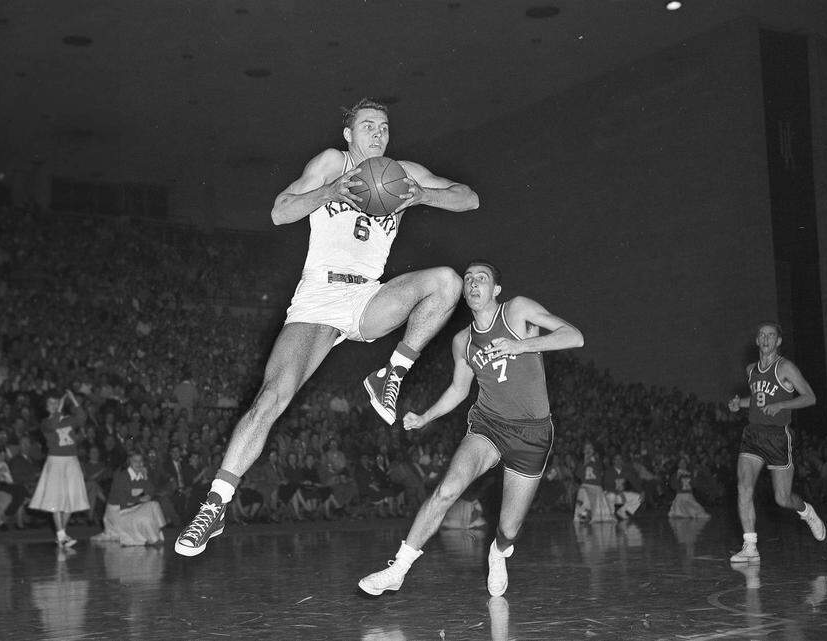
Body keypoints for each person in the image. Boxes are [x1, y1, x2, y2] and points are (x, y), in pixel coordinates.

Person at [176, 98, 479, 556]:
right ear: (349, 135)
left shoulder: (402, 172)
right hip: (319, 294)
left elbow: (469, 197)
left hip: (367, 297)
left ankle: (391, 374)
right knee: (270, 399)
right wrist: (331, 191)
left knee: (446, 282)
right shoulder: (331, 163)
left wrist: (423, 195)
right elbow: (281, 211)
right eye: (368, 127)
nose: (378, 135)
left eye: (384, 127)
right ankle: (215, 506)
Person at [358, 260, 583, 597]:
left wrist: (521, 345)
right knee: (446, 490)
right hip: (488, 425)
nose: (474, 283)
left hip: (532, 433)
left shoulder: (517, 310)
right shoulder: (462, 341)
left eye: (482, 278)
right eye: (468, 279)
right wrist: (424, 417)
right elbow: (458, 391)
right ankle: (399, 569)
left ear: (496, 290)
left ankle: (499, 552)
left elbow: (574, 336)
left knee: (508, 527)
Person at [726, 321, 825, 563]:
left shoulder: (786, 367)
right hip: (752, 435)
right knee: (743, 486)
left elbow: (810, 398)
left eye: (771, 335)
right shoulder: (751, 369)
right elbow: (759, 399)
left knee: (782, 498)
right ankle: (750, 546)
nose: (766, 338)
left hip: (778, 437)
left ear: (778, 341)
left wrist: (782, 404)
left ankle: (806, 511)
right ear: (757, 341)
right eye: (762, 335)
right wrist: (739, 404)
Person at [29, 392, 90, 547]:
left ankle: (61, 534)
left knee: (71, 498)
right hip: (55, 461)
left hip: (71, 460)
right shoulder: (46, 422)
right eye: (51, 403)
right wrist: (59, 408)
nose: (55, 405)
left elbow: (82, 417)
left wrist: (73, 399)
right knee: (55, 498)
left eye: (56, 402)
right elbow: (55, 424)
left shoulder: (68, 420)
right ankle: (61, 535)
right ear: (46, 407)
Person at [92, 452, 167, 546]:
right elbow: (123, 500)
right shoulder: (122, 475)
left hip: (132, 508)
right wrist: (140, 500)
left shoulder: (142, 474)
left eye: (141, 461)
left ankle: (158, 532)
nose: (139, 464)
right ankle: (154, 540)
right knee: (145, 519)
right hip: (118, 513)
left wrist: (146, 477)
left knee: (154, 504)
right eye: (135, 461)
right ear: (129, 462)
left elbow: (151, 491)